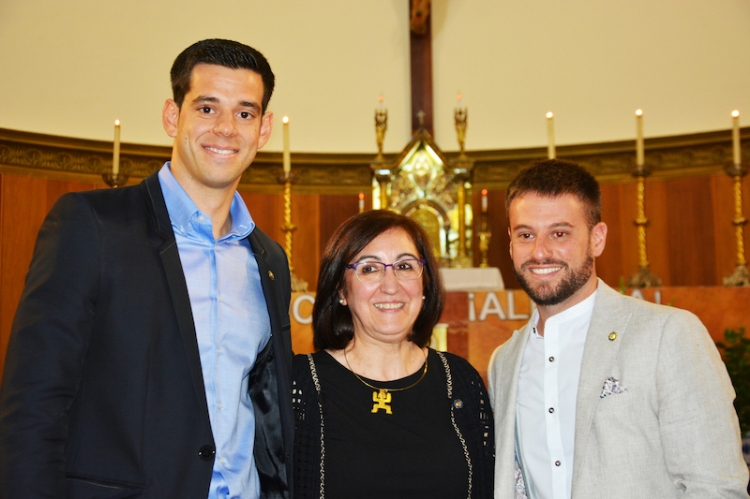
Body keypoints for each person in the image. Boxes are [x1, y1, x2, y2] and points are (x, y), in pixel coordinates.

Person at [0, 39, 293, 498]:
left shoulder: (269, 259)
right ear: (172, 117)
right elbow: (34, 402)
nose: (226, 130)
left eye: (244, 113)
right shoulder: (93, 225)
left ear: (264, 128)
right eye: (207, 108)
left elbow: (265, 409)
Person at [488, 159, 749, 499]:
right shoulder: (504, 361)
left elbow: (717, 487)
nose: (540, 252)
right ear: (510, 243)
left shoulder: (668, 335)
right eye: (526, 235)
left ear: (597, 239)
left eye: (560, 233)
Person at [292, 210, 494, 499]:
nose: (390, 285)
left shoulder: (461, 380)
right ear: (341, 290)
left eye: (404, 266)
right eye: (369, 269)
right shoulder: (300, 385)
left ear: (424, 284)